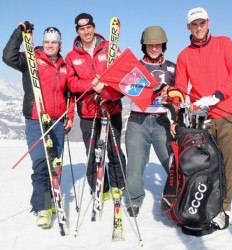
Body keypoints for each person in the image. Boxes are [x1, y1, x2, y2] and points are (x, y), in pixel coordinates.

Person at [174, 7, 232, 226]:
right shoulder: (184, 55)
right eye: (194, 24)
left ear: (208, 23)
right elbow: (179, 89)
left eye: (202, 23)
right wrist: (182, 110)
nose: (199, 27)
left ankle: (223, 208)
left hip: (227, 111)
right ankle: (206, 203)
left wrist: (218, 94)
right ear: (188, 27)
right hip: (201, 116)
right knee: (205, 163)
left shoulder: (225, 43)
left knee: (226, 161)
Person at [2, 22, 74, 229]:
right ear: (42, 43)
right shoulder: (30, 59)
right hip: (35, 119)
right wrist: (19, 32)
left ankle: (53, 198)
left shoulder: (65, 66)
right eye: (47, 42)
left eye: (54, 42)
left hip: (57, 120)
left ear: (60, 45)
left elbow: (69, 94)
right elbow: (8, 57)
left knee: (55, 164)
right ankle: (42, 207)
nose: (50, 45)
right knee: (41, 163)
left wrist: (69, 116)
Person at [65, 13, 126, 200]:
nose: (86, 31)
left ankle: (118, 184)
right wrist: (91, 84)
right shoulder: (72, 56)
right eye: (82, 28)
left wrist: (107, 91)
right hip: (88, 113)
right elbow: (71, 83)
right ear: (77, 31)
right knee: (92, 153)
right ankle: (101, 186)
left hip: (111, 109)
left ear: (93, 28)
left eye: (88, 27)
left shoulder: (110, 48)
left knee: (114, 151)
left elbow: (123, 77)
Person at [125, 26, 176, 217]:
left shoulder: (172, 67)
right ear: (144, 46)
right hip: (138, 119)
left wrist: (170, 95)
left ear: (163, 45)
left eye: (158, 45)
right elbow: (125, 87)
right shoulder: (135, 67)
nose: (154, 48)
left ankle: (178, 195)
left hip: (162, 119)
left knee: (171, 161)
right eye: (150, 45)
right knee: (136, 162)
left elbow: (178, 94)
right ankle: (134, 198)